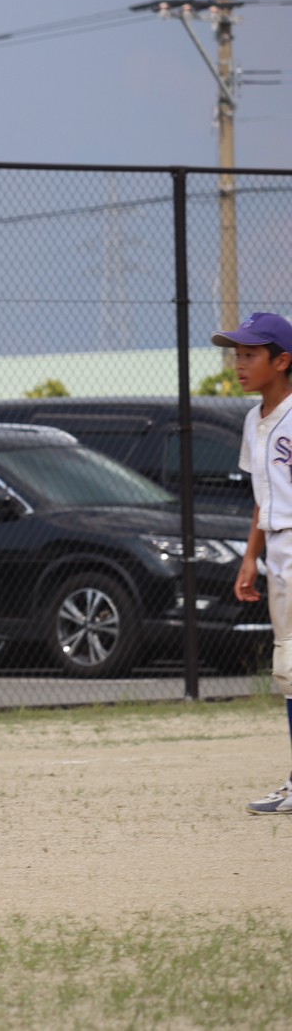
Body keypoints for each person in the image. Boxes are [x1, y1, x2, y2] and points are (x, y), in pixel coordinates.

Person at [216, 312, 292, 815]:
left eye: (250, 354)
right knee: (288, 670)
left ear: (282, 361)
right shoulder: (253, 420)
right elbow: (263, 499)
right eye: (236, 354)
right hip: (278, 550)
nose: (239, 364)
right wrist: (250, 557)